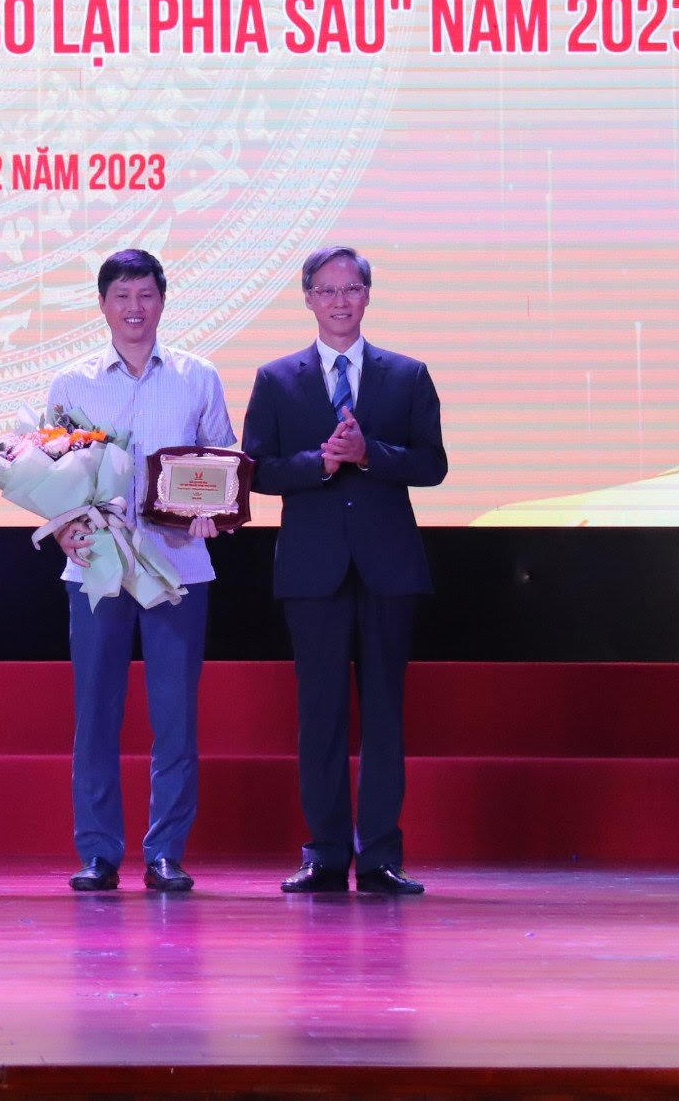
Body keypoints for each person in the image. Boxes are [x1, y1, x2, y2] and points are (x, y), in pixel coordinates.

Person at [239, 246, 446, 896]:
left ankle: (380, 856)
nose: (339, 300)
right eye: (326, 290)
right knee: (320, 716)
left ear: (367, 295)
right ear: (307, 297)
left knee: (384, 714)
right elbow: (255, 471)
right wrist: (321, 464)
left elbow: (433, 464)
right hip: (313, 570)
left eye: (350, 288)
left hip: (388, 568)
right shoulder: (277, 379)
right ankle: (326, 854)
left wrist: (368, 453)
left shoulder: (406, 374)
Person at [43, 249, 236, 893]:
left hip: (178, 563)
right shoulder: (72, 382)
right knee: (96, 713)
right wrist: (64, 523)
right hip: (96, 566)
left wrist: (214, 511)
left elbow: (223, 460)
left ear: (162, 301)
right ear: (102, 304)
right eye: (122, 296)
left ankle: (166, 852)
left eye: (146, 295)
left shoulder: (197, 376)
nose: (135, 308)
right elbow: (50, 471)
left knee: (175, 715)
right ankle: (99, 852)